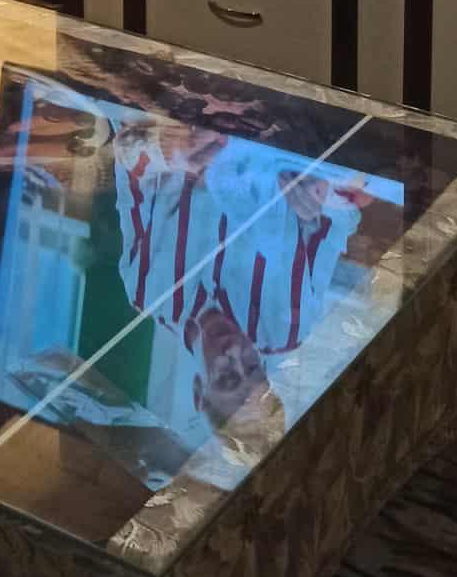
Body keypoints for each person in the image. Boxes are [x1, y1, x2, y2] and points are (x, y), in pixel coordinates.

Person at [112, 115, 369, 436]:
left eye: (227, 377)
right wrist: (317, 188)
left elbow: (129, 167)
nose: (235, 352)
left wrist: (168, 150)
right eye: (251, 368)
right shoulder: (289, 326)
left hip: (182, 113)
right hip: (280, 126)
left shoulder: (145, 290)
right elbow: (340, 216)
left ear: (198, 391)